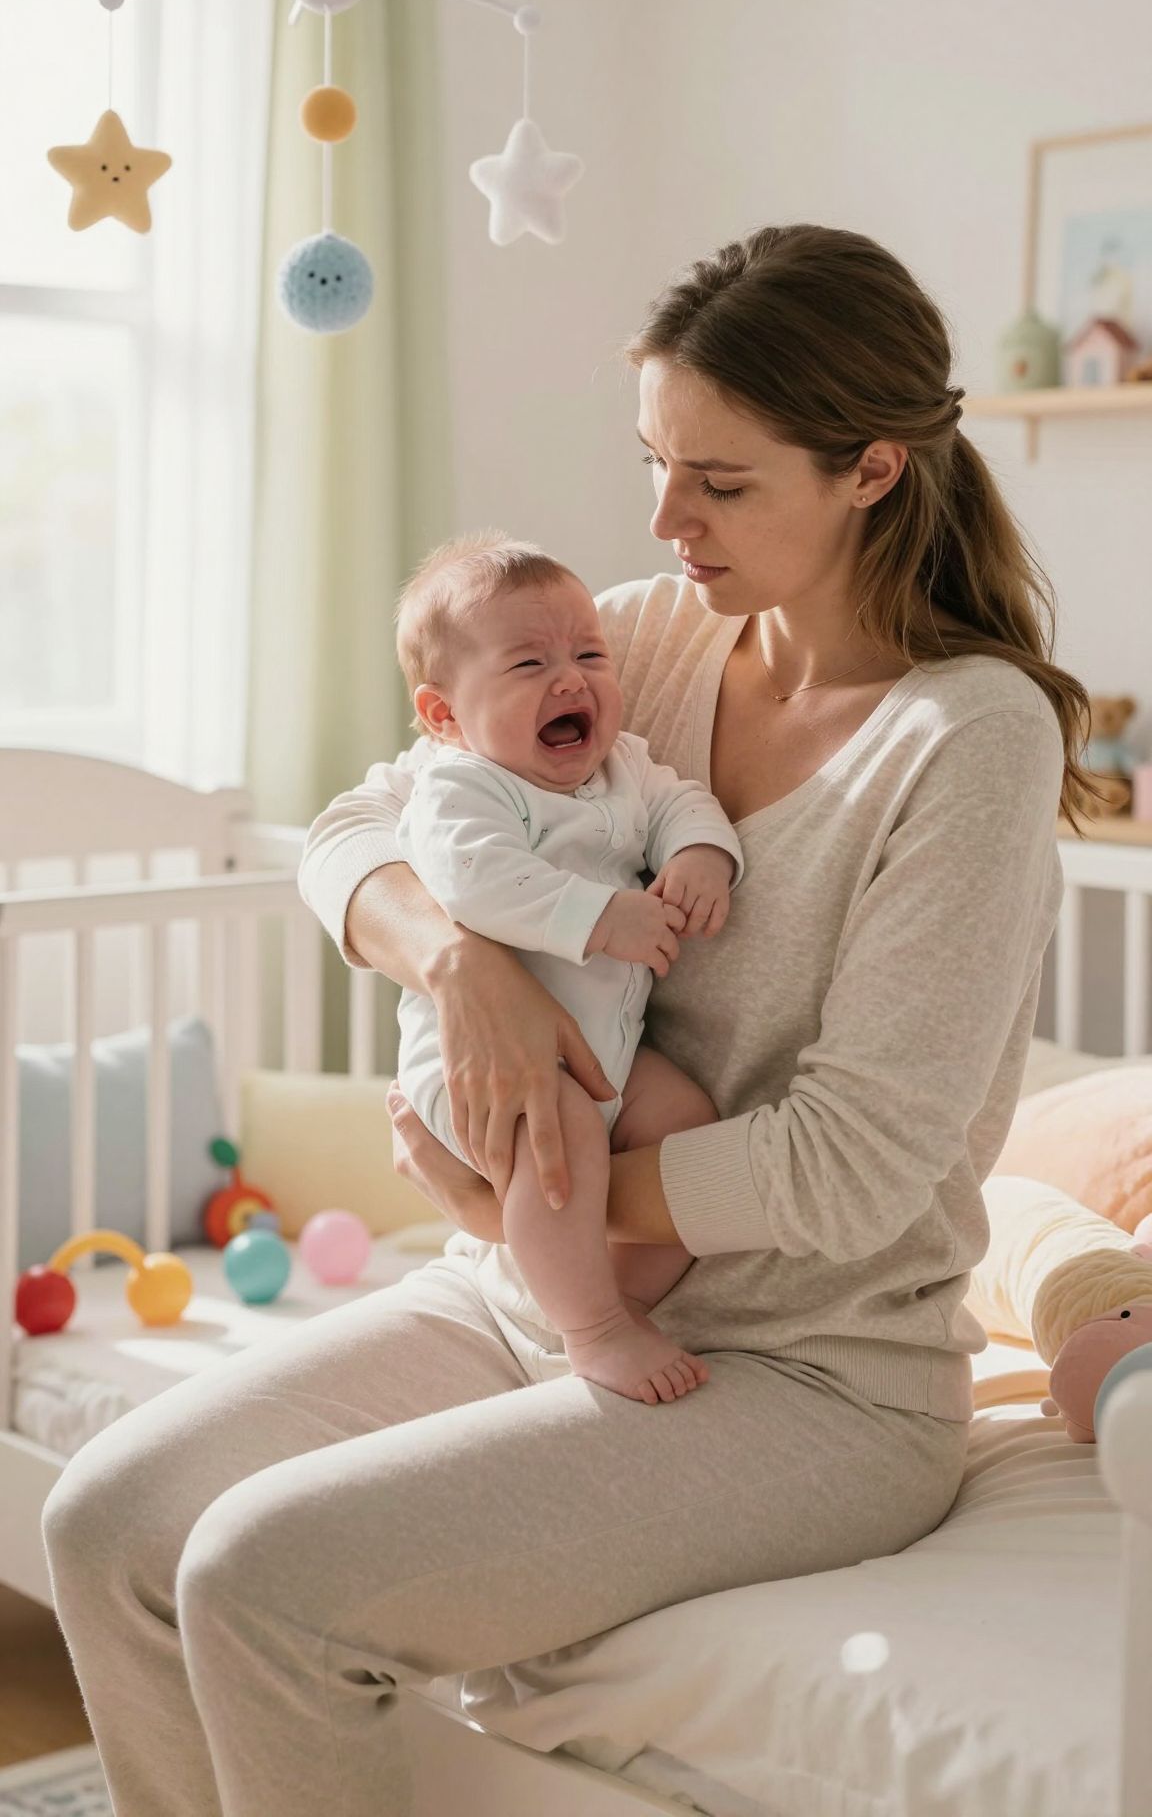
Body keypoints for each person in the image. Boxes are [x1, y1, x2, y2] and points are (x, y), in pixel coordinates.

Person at [41, 223, 1092, 1817]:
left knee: (263, 1577)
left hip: (805, 1377)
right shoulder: (643, 639)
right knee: (108, 1526)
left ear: (872, 468)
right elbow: (352, 830)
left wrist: (523, 1196)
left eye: (720, 484)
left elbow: (857, 1167)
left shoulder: (969, 738)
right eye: (654, 463)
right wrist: (457, 967)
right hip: (526, 1292)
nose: (666, 521)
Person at [391, 532, 743, 1402]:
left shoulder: (623, 767)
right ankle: (593, 1331)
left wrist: (702, 854)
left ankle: (603, 1295)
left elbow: (680, 802)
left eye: (590, 654)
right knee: (564, 1134)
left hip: (609, 1054)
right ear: (444, 716)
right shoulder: (461, 786)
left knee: (687, 1121)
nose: (571, 679)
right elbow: (472, 879)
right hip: (487, 1070)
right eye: (527, 665)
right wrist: (599, 917)